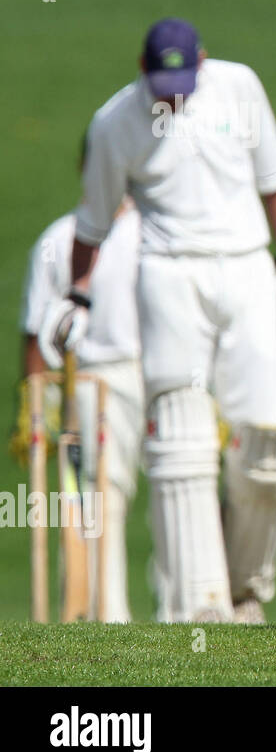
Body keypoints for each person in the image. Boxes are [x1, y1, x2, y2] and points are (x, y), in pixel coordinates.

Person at [39, 17, 276, 623]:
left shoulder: (238, 86)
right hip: (167, 271)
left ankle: (246, 588)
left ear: (206, 61)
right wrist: (78, 296)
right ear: (141, 70)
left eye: (185, 79)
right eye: (163, 82)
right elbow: (92, 222)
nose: (174, 94)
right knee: (181, 434)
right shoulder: (115, 121)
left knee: (264, 438)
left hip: (246, 265)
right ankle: (200, 606)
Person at [19, 195, 144, 622]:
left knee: (180, 483)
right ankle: (100, 614)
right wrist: (34, 405)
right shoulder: (60, 237)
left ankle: (191, 612)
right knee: (97, 491)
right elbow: (36, 329)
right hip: (91, 378)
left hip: (162, 372)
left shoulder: (159, 228)